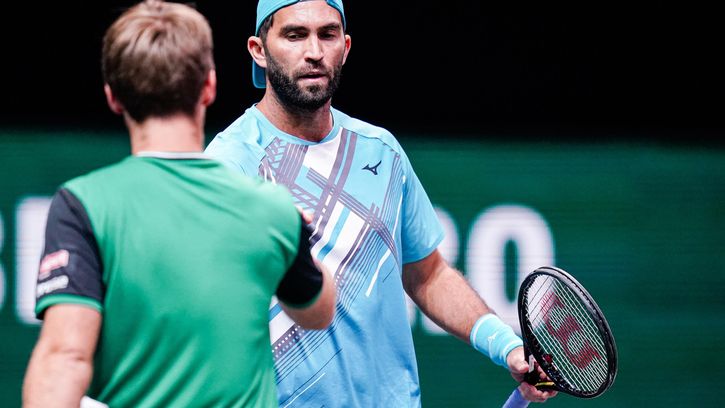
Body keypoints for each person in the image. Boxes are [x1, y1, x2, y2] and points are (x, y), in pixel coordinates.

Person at [205, 0, 558, 406]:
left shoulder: (382, 151)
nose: (314, 51)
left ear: (346, 47)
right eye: (295, 35)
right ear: (259, 50)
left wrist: (508, 347)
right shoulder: (228, 166)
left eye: (327, 34)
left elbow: (428, 275)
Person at [22, 1, 335, 407]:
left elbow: (65, 357)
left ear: (113, 97)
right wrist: (294, 237)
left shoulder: (82, 205)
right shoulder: (271, 209)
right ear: (209, 87)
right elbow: (319, 312)